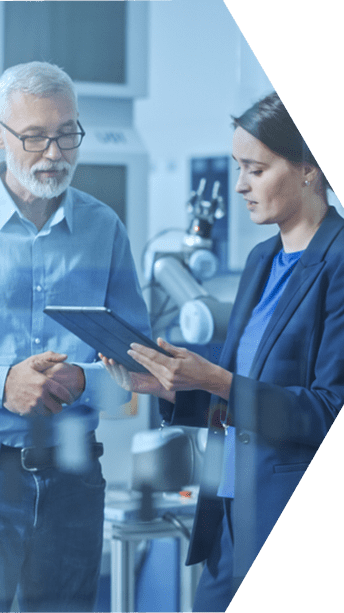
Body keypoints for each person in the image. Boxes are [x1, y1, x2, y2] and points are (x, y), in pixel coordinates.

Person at [101, 92, 344, 612]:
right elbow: (242, 399)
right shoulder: (263, 260)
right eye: (239, 168)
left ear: (308, 169)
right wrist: (174, 388)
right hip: (230, 521)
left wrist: (215, 379)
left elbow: (334, 411)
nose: (240, 185)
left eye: (255, 169)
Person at [0, 61, 151, 613]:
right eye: (35, 136)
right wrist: (4, 383)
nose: (55, 153)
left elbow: (140, 367)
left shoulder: (103, 228)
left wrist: (82, 381)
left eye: (67, 133)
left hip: (74, 476)